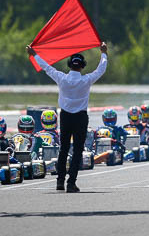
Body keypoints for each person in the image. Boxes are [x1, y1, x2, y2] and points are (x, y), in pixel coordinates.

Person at [27, 42, 108, 193]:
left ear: (69, 65)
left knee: (63, 149)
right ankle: (71, 183)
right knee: (77, 150)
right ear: (82, 66)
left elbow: (46, 67)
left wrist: (34, 54)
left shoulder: (62, 78)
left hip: (65, 117)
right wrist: (103, 52)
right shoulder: (86, 80)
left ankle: (59, 181)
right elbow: (101, 70)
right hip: (80, 118)